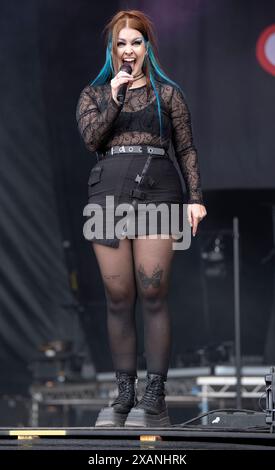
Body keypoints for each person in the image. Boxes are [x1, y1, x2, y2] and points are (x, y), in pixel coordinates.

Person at [76, 10, 207, 427]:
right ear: (111, 50)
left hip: (158, 190)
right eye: (121, 43)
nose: (128, 50)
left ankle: (155, 395)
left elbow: (185, 148)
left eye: (135, 42)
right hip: (108, 194)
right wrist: (115, 96)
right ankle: (124, 393)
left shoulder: (168, 94)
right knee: (118, 299)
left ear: (147, 46)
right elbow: (92, 139)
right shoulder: (94, 95)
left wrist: (195, 198)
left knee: (153, 293)